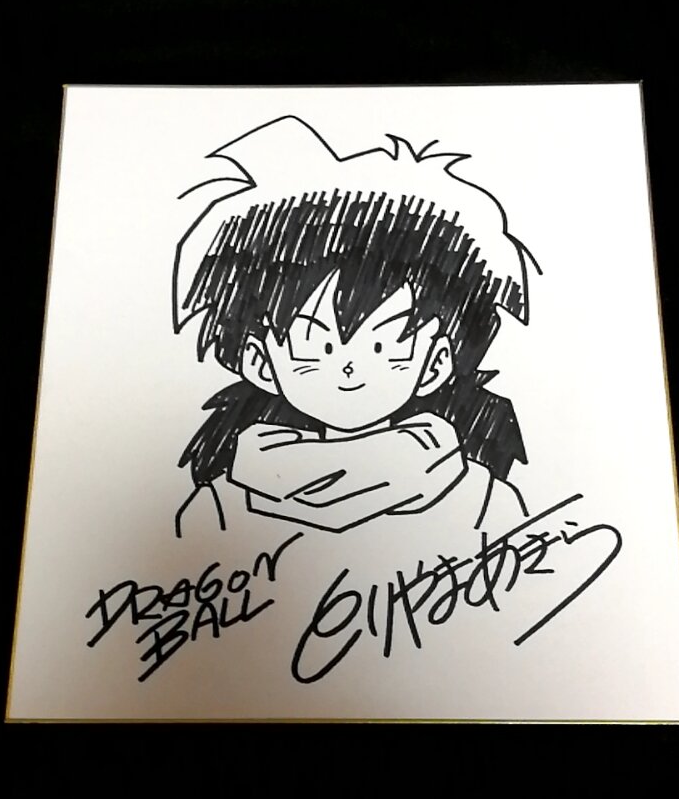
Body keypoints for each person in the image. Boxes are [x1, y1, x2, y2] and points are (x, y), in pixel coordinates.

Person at [171, 115, 541, 548]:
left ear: (436, 363)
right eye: (318, 344)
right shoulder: (222, 505)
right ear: (260, 362)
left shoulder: (483, 500)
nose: (349, 366)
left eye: (383, 344)